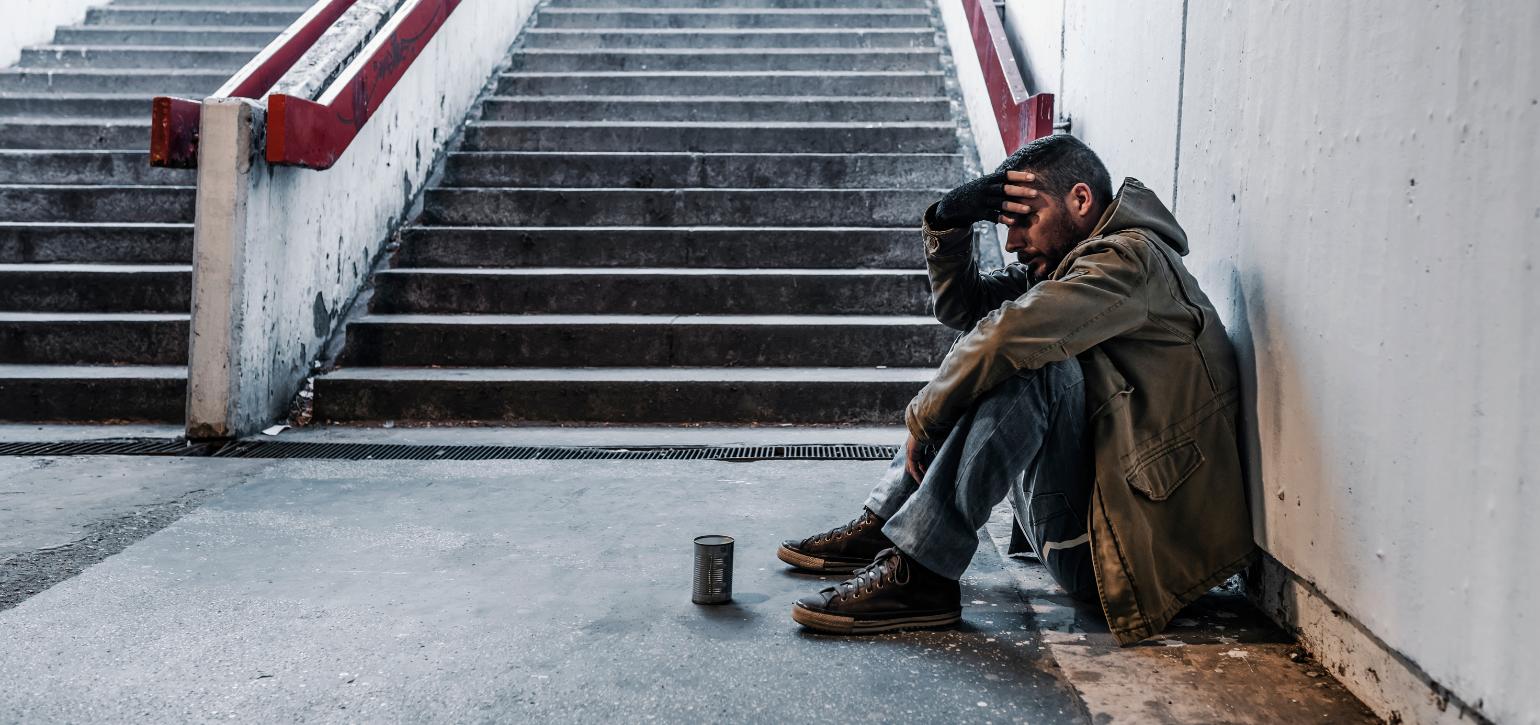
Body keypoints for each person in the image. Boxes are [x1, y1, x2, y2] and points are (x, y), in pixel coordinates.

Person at [780, 135, 1256, 644]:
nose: (1012, 243)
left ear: (1079, 200)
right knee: (993, 337)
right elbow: (968, 309)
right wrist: (949, 218)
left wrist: (925, 414)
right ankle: (891, 523)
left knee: (1030, 359)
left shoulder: (1128, 262)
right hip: (1084, 528)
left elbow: (1009, 337)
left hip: (1130, 552)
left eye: (1025, 222)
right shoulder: (1072, 265)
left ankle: (923, 577)